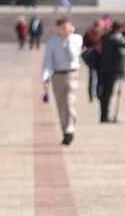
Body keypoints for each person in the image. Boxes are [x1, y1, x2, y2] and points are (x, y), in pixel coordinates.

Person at [42, 16, 83, 144]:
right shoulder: (52, 42)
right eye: (63, 27)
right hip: (58, 75)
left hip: (72, 74)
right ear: (58, 28)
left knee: (70, 103)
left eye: (68, 26)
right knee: (61, 106)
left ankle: (71, 127)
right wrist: (45, 77)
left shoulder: (77, 39)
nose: (65, 29)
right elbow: (48, 60)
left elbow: (74, 56)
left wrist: (68, 40)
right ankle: (65, 130)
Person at [96, 22, 125, 123]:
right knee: (107, 93)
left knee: (106, 92)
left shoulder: (106, 37)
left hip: (103, 68)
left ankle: (104, 114)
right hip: (110, 70)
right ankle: (104, 115)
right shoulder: (113, 39)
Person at [81, 19, 103, 101]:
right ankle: (92, 94)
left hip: (101, 58)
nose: (102, 28)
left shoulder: (103, 34)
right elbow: (84, 45)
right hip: (92, 58)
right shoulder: (89, 33)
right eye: (101, 26)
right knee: (93, 75)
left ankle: (99, 93)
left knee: (100, 76)